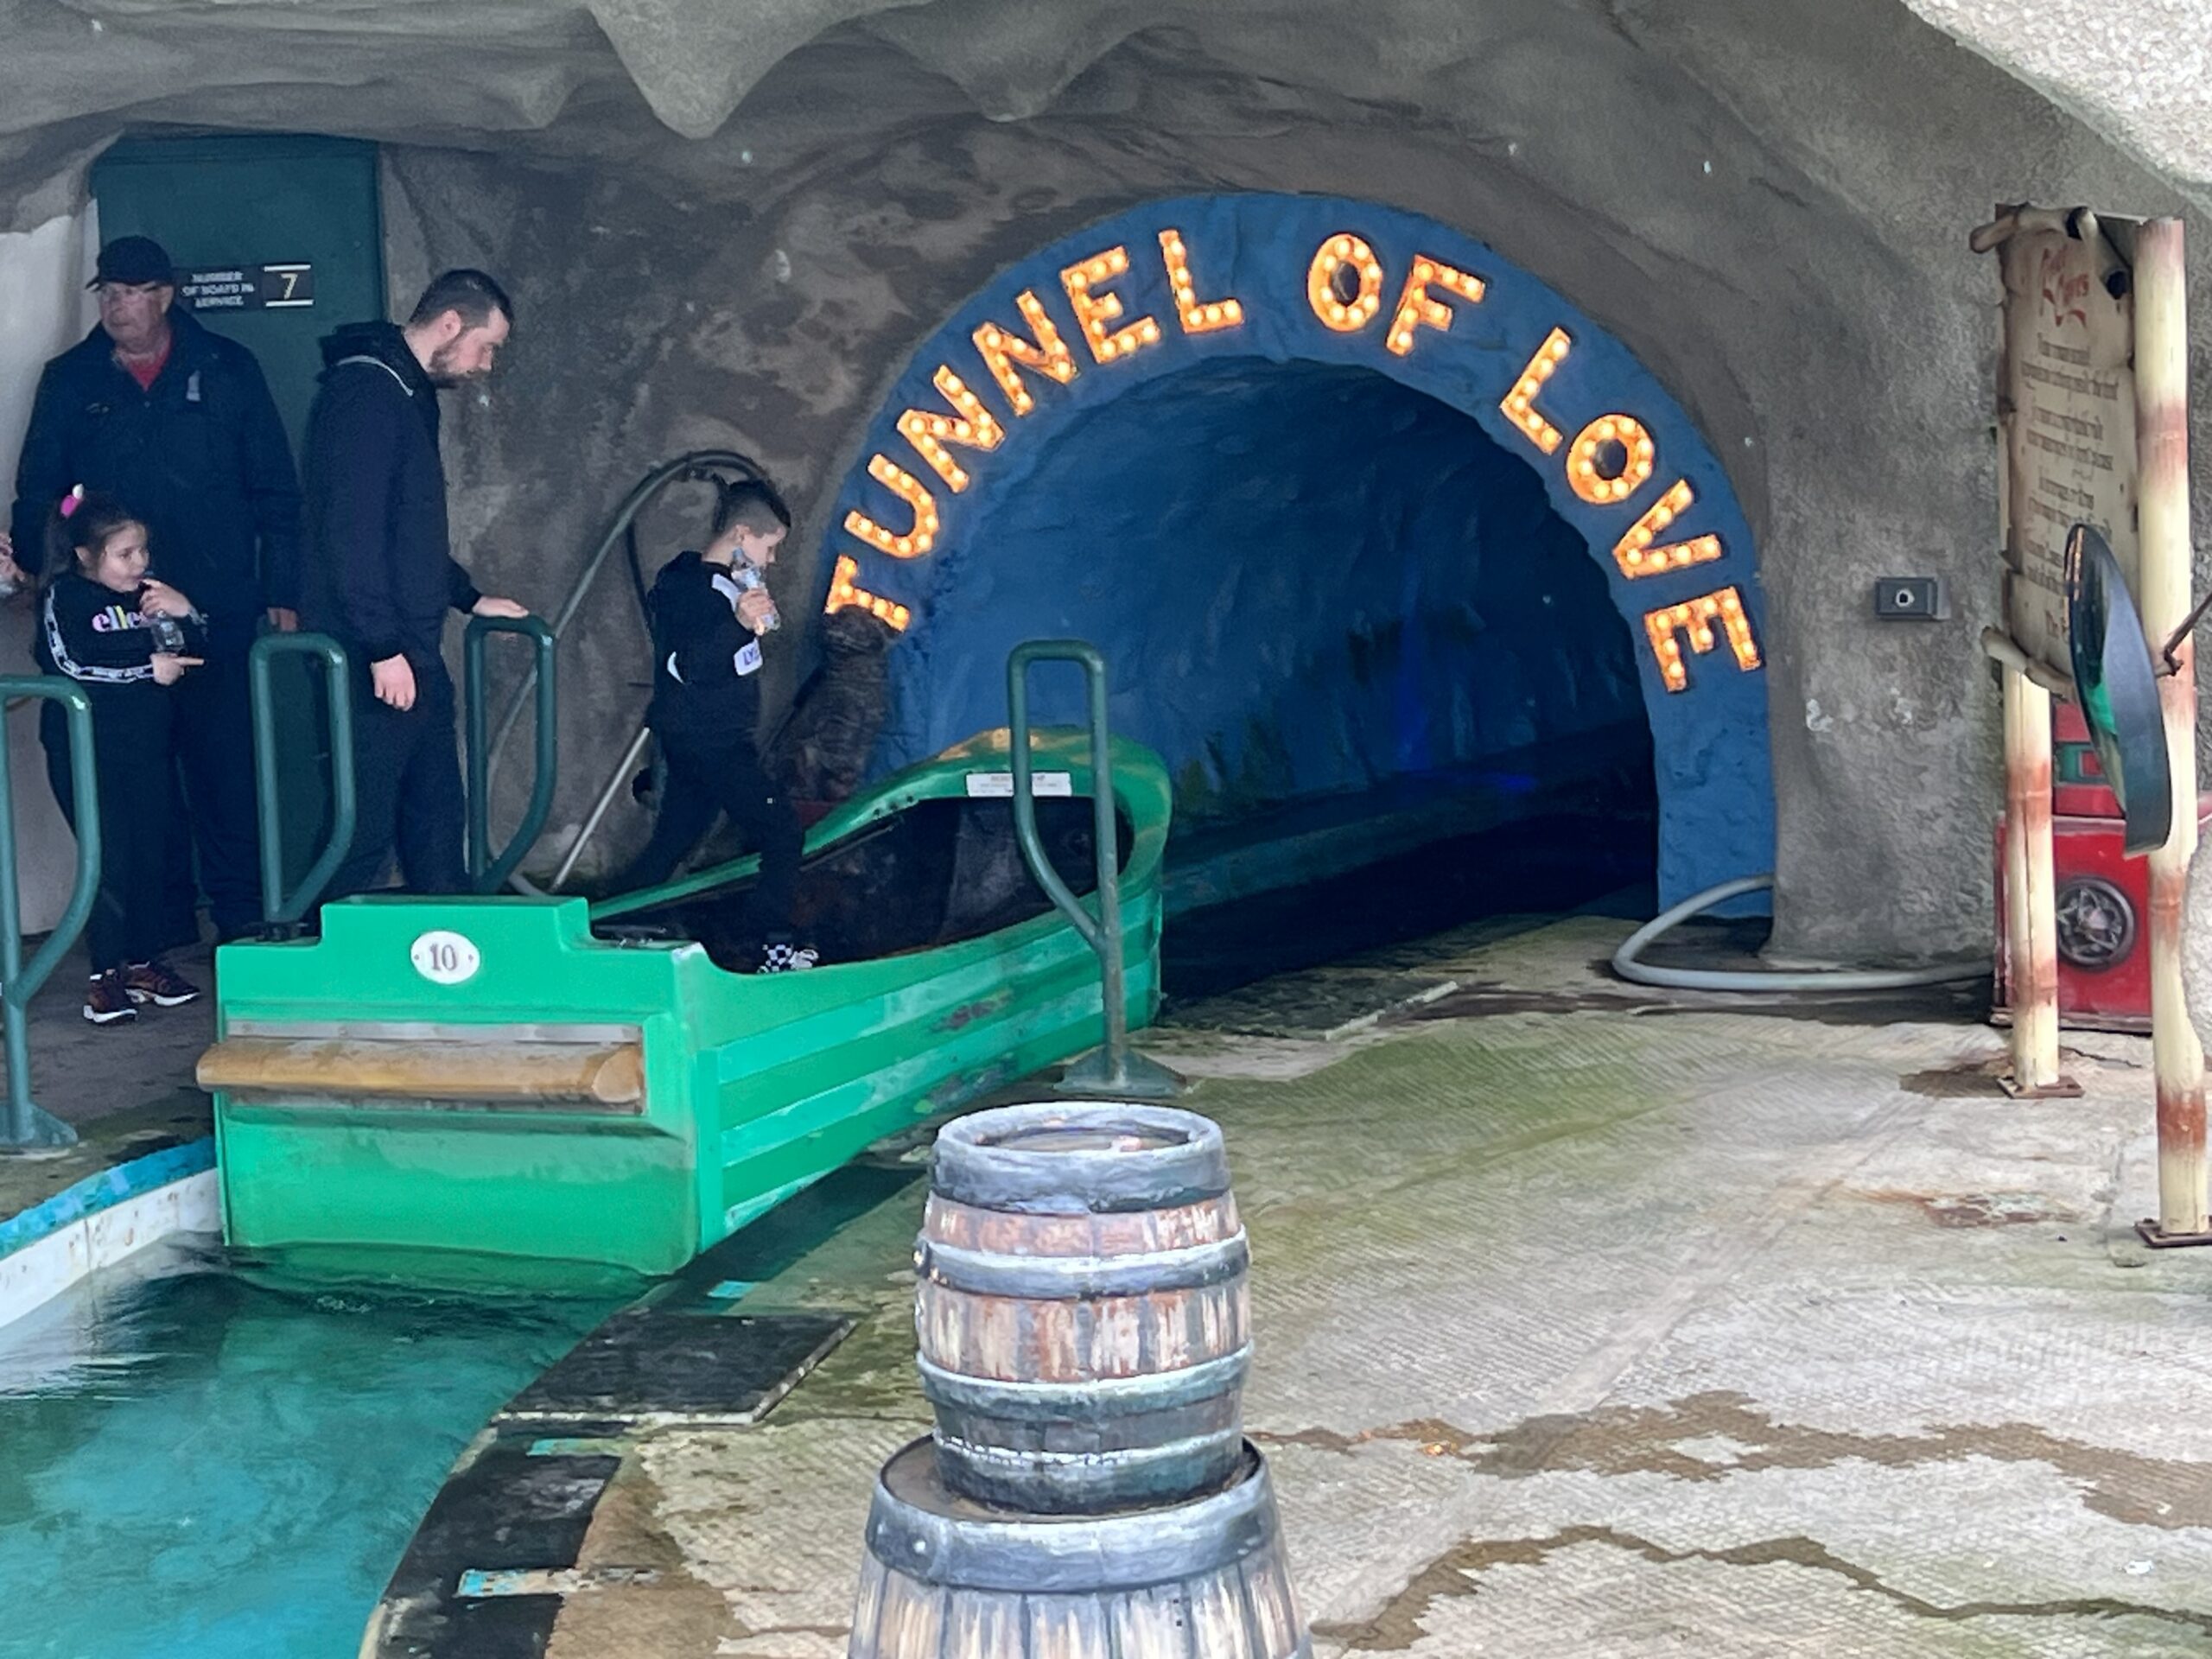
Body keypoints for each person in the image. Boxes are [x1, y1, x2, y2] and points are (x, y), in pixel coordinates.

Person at [9, 236, 303, 948]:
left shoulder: (225, 367)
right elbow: (38, 489)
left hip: (212, 604)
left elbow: (274, 487)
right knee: (135, 778)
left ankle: (241, 919)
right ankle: (157, 934)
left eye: (133, 293)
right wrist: (36, 572)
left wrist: (282, 589)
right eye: (108, 292)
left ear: (165, 297)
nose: (117, 306)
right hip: (109, 616)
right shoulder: (72, 378)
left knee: (225, 765)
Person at [300, 270, 528, 900]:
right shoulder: (367, 395)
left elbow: (409, 528)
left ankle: (446, 939)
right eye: (486, 346)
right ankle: (316, 947)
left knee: (436, 819)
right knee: (363, 827)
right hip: (375, 651)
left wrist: (467, 596)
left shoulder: (405, 391)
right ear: (450, 324)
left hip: (410, 643)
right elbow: (352, 531)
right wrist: (381, 647)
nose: (484, 365)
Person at [617, 479, 814, 973]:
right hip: (710, 741)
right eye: (769, 547)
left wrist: (749, 619)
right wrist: (738, 626)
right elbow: (689, 666)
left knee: (673, 840)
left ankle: (610, 922)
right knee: (782, 832)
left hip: (709, 738)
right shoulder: (690, 589)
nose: (772, 560)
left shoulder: (731, 585)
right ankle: (772, 949)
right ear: (742, 534)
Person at [35, 486, 208, 1025]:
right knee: (109, 859)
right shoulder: (65, 596)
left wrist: (185, 610)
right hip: (88, 751)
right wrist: (144, 669)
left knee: (151, 854)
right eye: (124, 554)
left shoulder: (148, 595)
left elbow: (186, 651)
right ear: (86, 555)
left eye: (143, 552)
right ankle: (104, 975)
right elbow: (67, 664)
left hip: (147, 747)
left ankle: (143, 963)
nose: (139, 564)